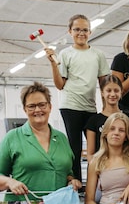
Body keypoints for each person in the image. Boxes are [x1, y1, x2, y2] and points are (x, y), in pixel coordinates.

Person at [0, 82, 82, 199]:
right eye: (31, 106)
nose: (37, 110)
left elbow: (68, 173)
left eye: (42, 105)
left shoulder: (61, 138)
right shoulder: (12, 137)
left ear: (50, 106)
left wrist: (71, 181)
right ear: (24, 109)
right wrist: (10, 182)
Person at [45, 14, 110, 181]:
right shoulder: (66, 54)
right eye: (77, 29)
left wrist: (106, 109)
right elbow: (60, 85)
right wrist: (53, 64)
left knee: (95, 148)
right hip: (70, 106)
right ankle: (76, 184)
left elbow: (104, 84)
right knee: (74, 147)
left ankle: (95, 182)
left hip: (90, 107)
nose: (81, 33)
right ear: (69, 31)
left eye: (85, 30)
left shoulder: (98, 55)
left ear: (90, 31)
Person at [85, 75, 129, 159]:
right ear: (102, 93)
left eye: (116, 90)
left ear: (121, 92)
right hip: (101, 166)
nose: (112, 94)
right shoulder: (93, 121)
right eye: (108, 90)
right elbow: (90, 154)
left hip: (124, 166)